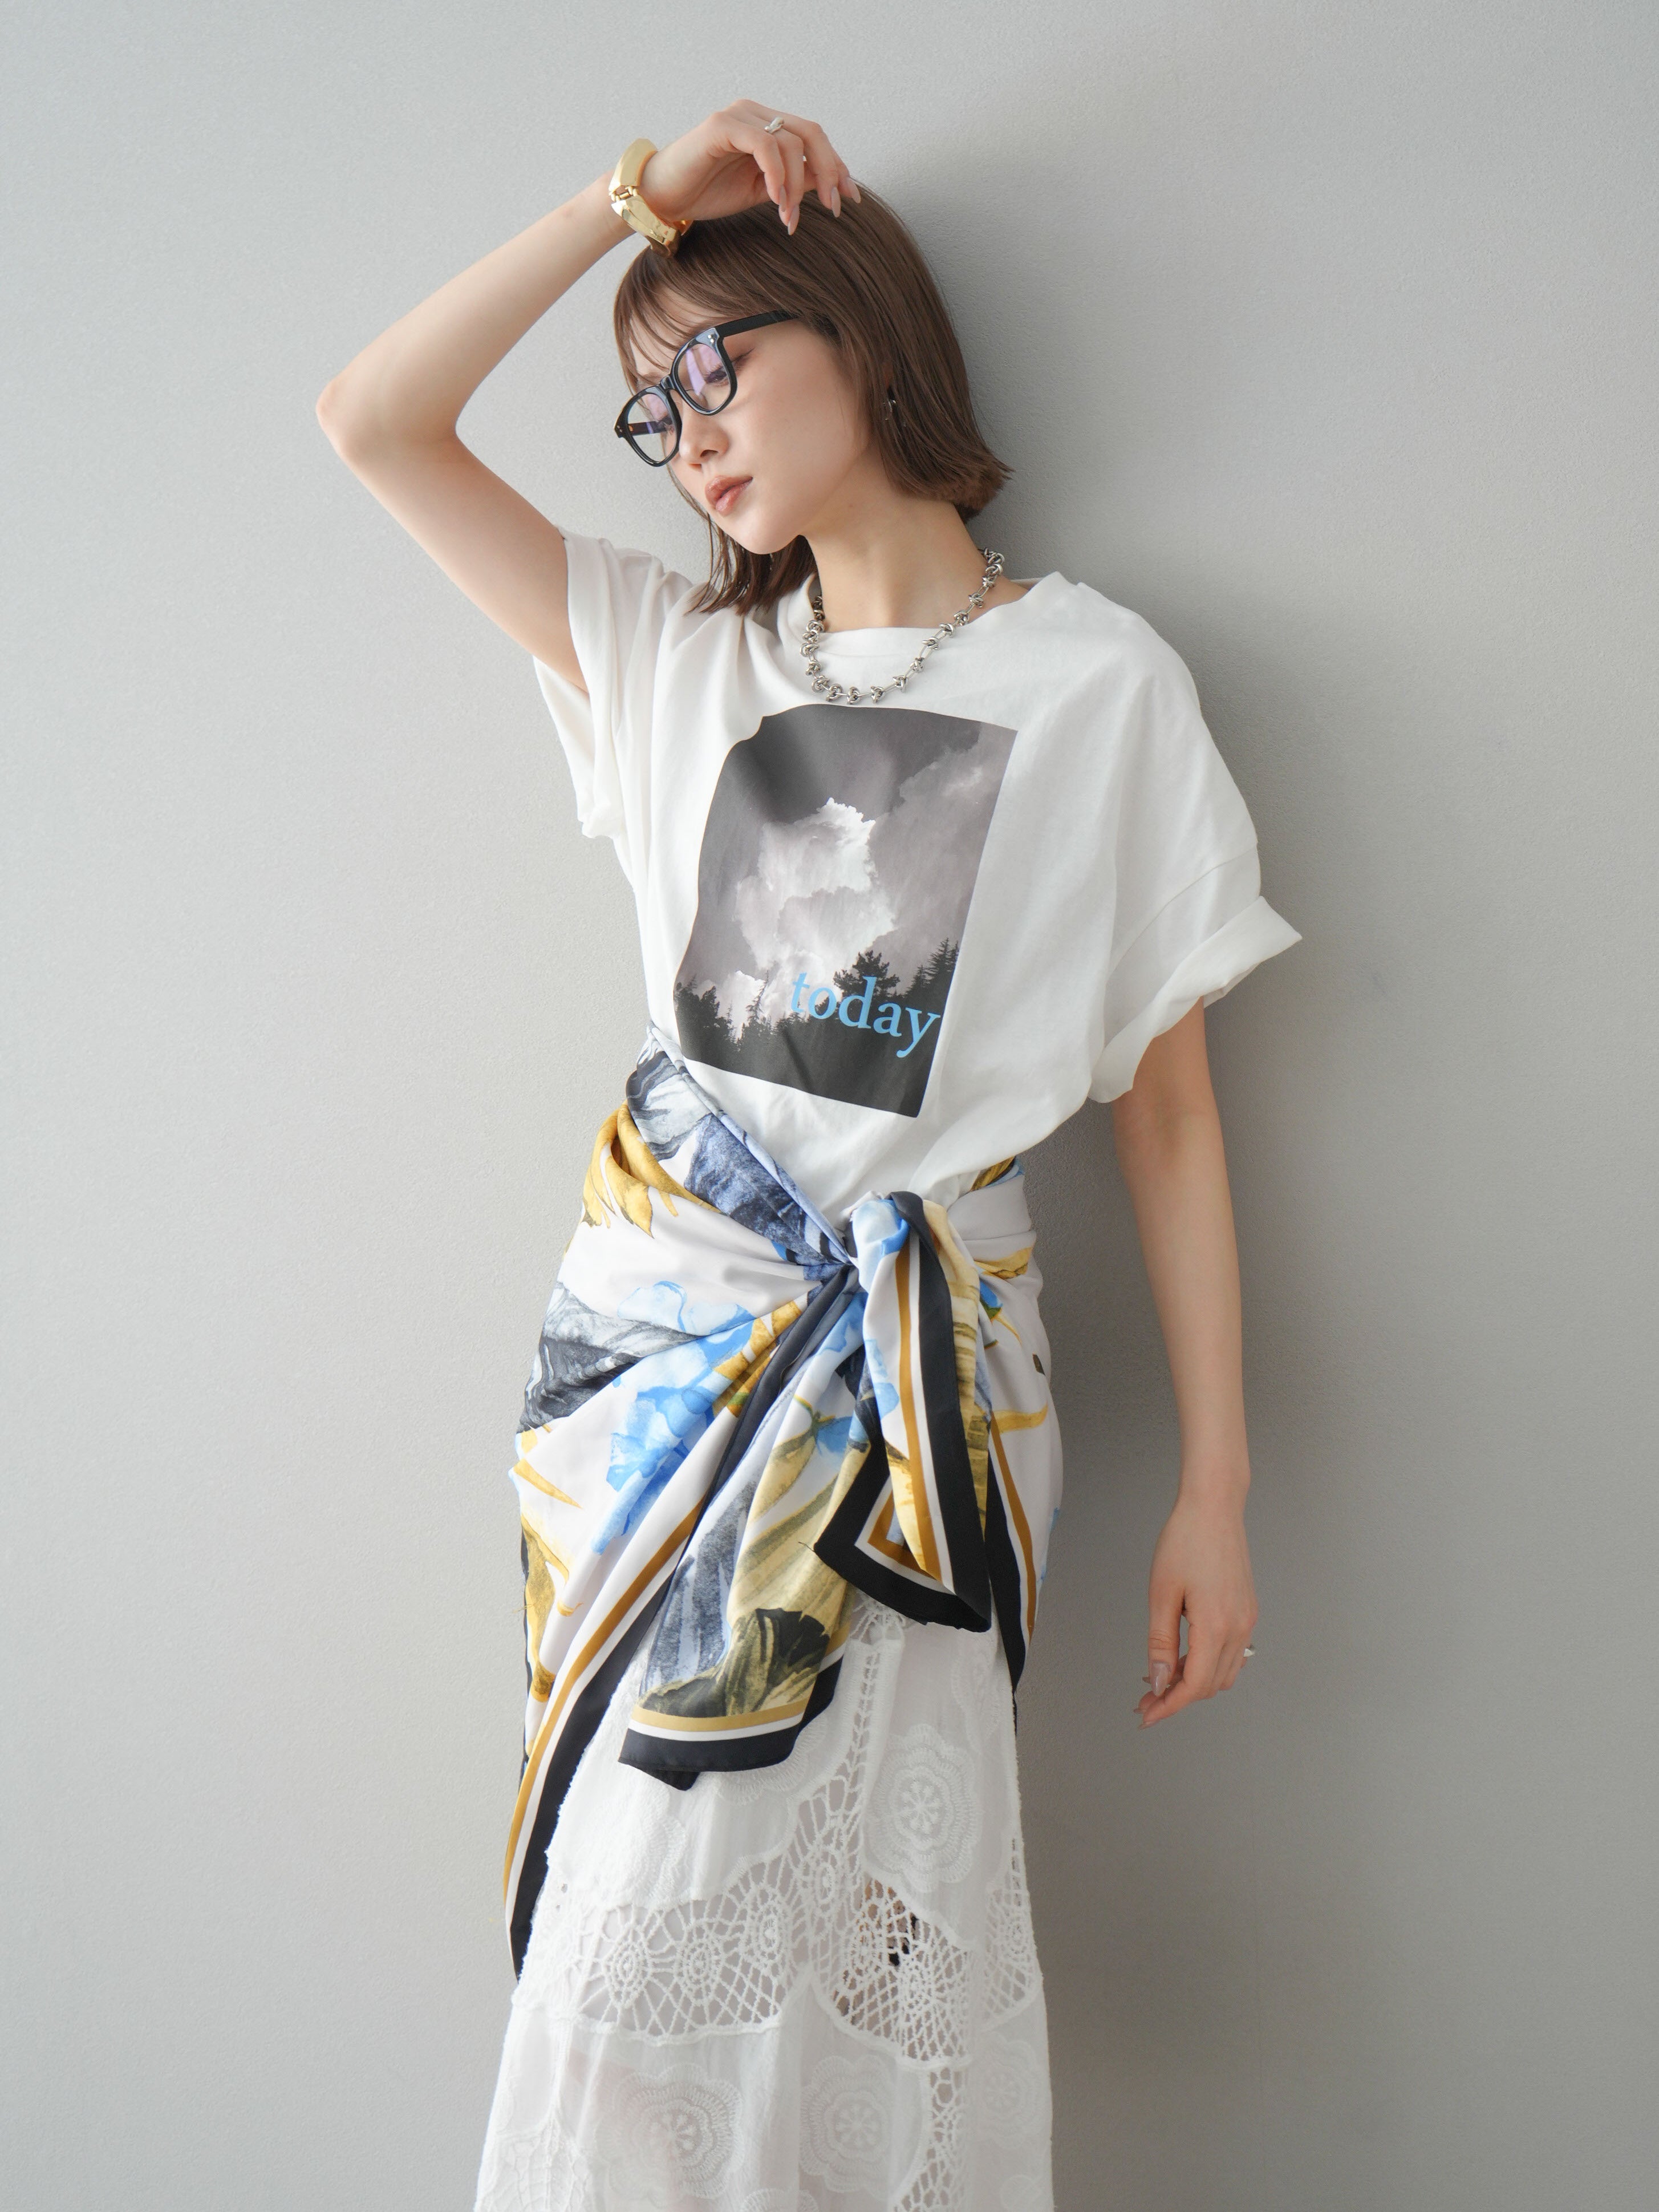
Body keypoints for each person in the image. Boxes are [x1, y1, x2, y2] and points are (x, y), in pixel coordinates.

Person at [317, 99, 1297, 2212]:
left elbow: (1172, 1111)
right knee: (626, 1951)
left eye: (717, 367)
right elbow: (375, 420)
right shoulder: (673, 663)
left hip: (928, 1400)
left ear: (859, 329)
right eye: (648, 410)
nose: (686, 440)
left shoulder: (1100, 684)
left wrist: (1217, 1483)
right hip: (661, 1384)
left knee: (878, 1932)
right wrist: (621, 204)